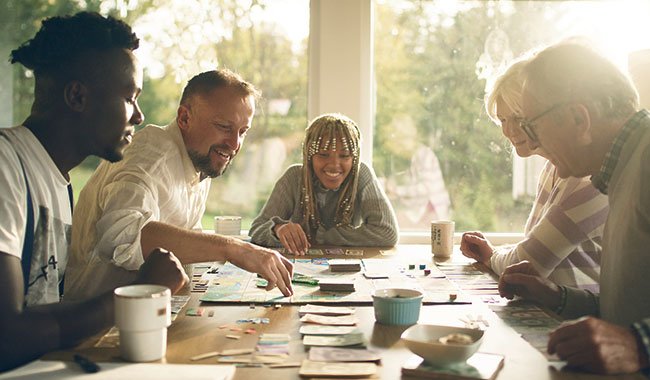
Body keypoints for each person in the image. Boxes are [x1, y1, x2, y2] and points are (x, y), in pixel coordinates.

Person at [0, 12, 187, 371]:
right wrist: (137, 294)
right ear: (77, 96)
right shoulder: (7, 167)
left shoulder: (56, 180)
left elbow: (44, 315)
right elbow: (5, 336)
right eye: (130, 97)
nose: (139, 116)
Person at [65, 69, 294, 301]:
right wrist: (234, 248)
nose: (234, 144)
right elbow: (121, 238)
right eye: (224, 127)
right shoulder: (151, 155)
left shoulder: (199, 159)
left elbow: (186, 245)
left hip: (152, 310)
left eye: (242, 132)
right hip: (98, 325)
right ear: (185, 118)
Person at [497, 40, 650, 374]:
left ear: (579, 120)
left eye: (531, 127)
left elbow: (630, 335)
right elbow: (627, 312)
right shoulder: (620, 173)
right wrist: (557, 297)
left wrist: (638, 346)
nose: (532, 142)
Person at [460, 58, 608, 292]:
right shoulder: (552, 169)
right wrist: (495, 253)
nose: (508, 131)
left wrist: (491, 256)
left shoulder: (585, 178)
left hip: (579, 318)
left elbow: (526, 264)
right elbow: (534, 247)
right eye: (503, 120)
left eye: (519, 119)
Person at [249, 113, 398, 255]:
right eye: (323, 155)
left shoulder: (361, 174)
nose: (334, 165)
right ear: (309, 155)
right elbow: (257, 230)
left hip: (345, 268)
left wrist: (324, 237)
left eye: (345, 156)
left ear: (355, 158)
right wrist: (278, 229)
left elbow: (387, 232)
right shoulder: (294, 177)